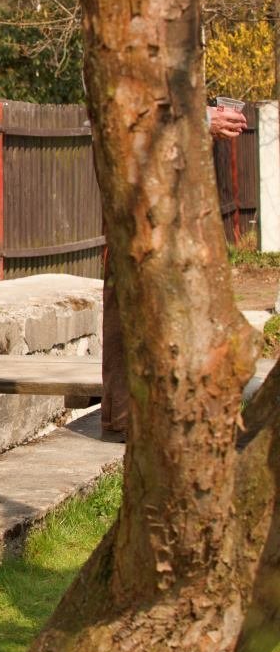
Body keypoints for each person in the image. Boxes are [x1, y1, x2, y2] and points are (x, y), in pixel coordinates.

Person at [100, 100, 249, 441]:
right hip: (136, 179)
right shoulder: (114, 70)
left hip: (167, 175)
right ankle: (127, 418)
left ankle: (166, 409)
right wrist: (203, 118)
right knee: (132, 290)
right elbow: (128, 108)